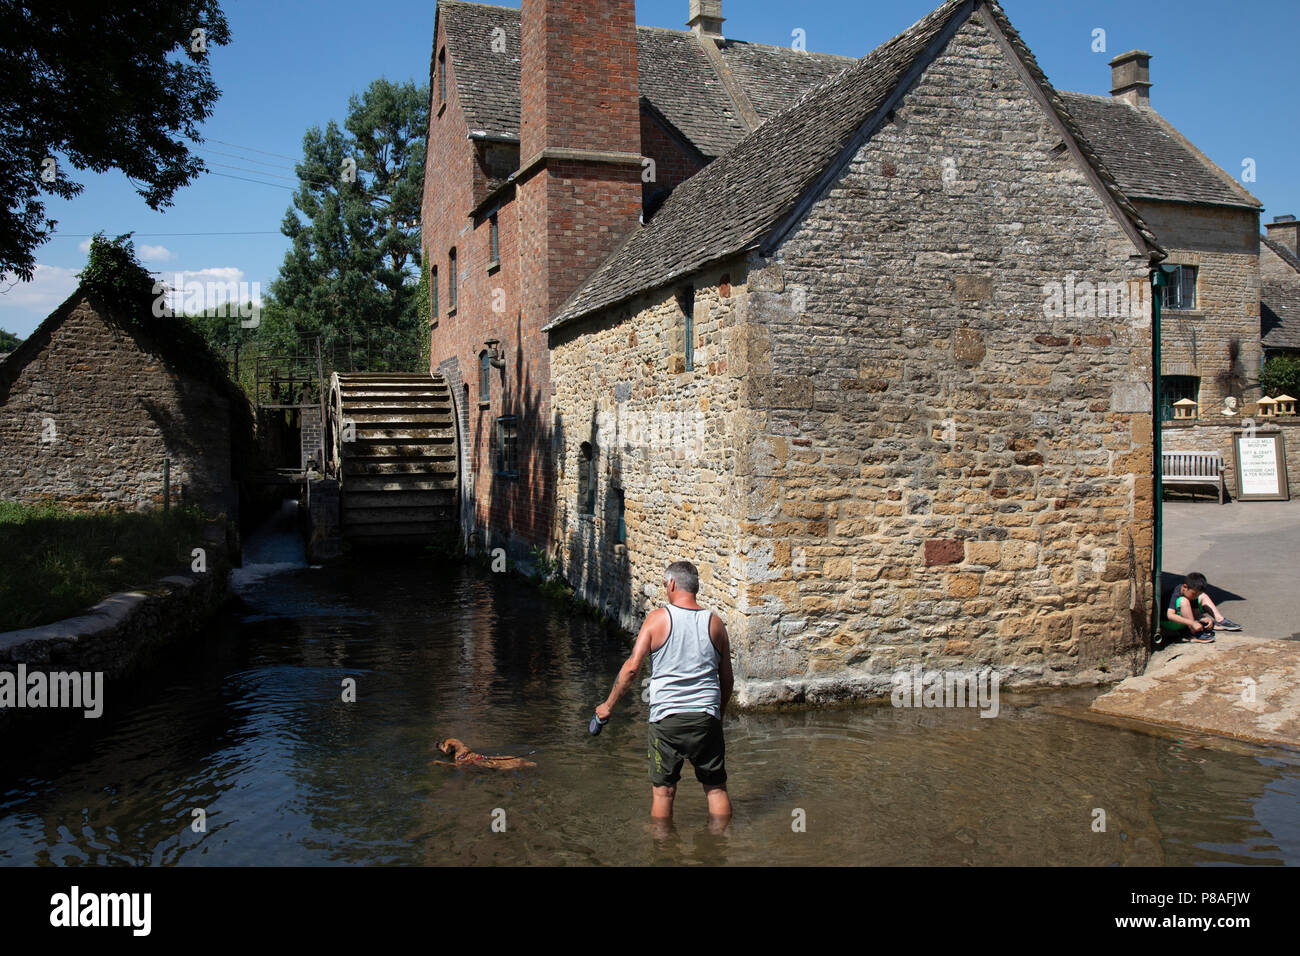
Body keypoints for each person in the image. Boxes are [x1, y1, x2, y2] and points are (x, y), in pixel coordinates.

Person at [594, 560, 733, 824]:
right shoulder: (715, 624)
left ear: (671, 584)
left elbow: (632, 670)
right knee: (715, 788)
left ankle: (663, 847)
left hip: (666, 720)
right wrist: (719, 716)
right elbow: (727, 678)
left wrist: (608, 705)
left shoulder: (657, 619)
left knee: (663, 792)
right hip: (706, 718)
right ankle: (719, 843)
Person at [1161, 571, 1242, 643]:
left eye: (1197, 594)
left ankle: (1219, 620)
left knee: (1203, 596)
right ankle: (1193, 633)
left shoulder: (1192, 594)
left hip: (1183, 621)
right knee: (1183, 601)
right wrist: (1192, 623)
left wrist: (1203, 619)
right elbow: (1170, 615)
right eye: (1194, 594)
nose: (1196, 597)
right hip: (1169, 623)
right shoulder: (1175, 593)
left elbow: (1196, 613)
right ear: (1185, 587)